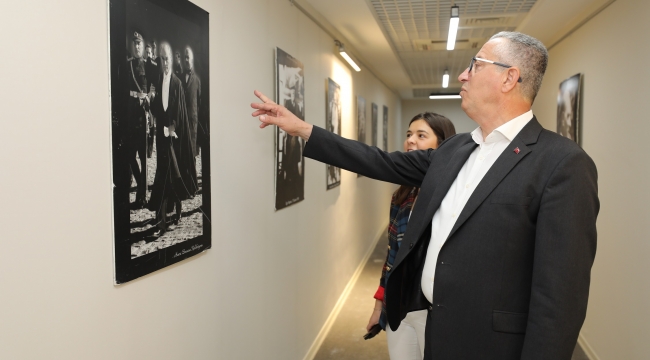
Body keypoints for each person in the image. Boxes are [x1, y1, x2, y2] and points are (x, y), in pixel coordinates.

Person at [251, 31, 599, 360]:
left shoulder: (562, 164)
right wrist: (302, 129)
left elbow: (560, 298)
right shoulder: (456, 149)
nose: (463, 75)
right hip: (436, 330)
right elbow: (380, 161)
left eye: (475, 65)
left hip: (492, 346)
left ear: (509, 78)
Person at [367, 112, 456, 359]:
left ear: (441, 145)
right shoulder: (402, 195)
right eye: (408, 134)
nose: (411, 141)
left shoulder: (453, 195)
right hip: (400, 308)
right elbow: (391, 256)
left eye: (421, 135)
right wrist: (379, 306)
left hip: (435, 311)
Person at [148, 43, 195, 235]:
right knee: (164, 175)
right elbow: (159, 110)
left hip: (173, 139)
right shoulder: (159, 80)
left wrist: (172, 127)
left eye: (167, 58)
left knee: (171, 175)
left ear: (171, 60)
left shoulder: (177, 84)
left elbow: (181, 113)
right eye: (162, 59)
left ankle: (171, 215)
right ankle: (164, 218)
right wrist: (149, 103)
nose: (165, 62)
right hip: (162, 138)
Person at [123, 31, 153, 209]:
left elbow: (153, 87)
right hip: (131, 115)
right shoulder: (128, 66)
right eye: (134, 44)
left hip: (143, 116)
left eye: (139, 44)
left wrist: (149, 97)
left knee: (143, 158)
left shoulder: (149, 65)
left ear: (143, 47)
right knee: (129, 156)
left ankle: (141, 197)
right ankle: (142, 185)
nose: (136, 47)